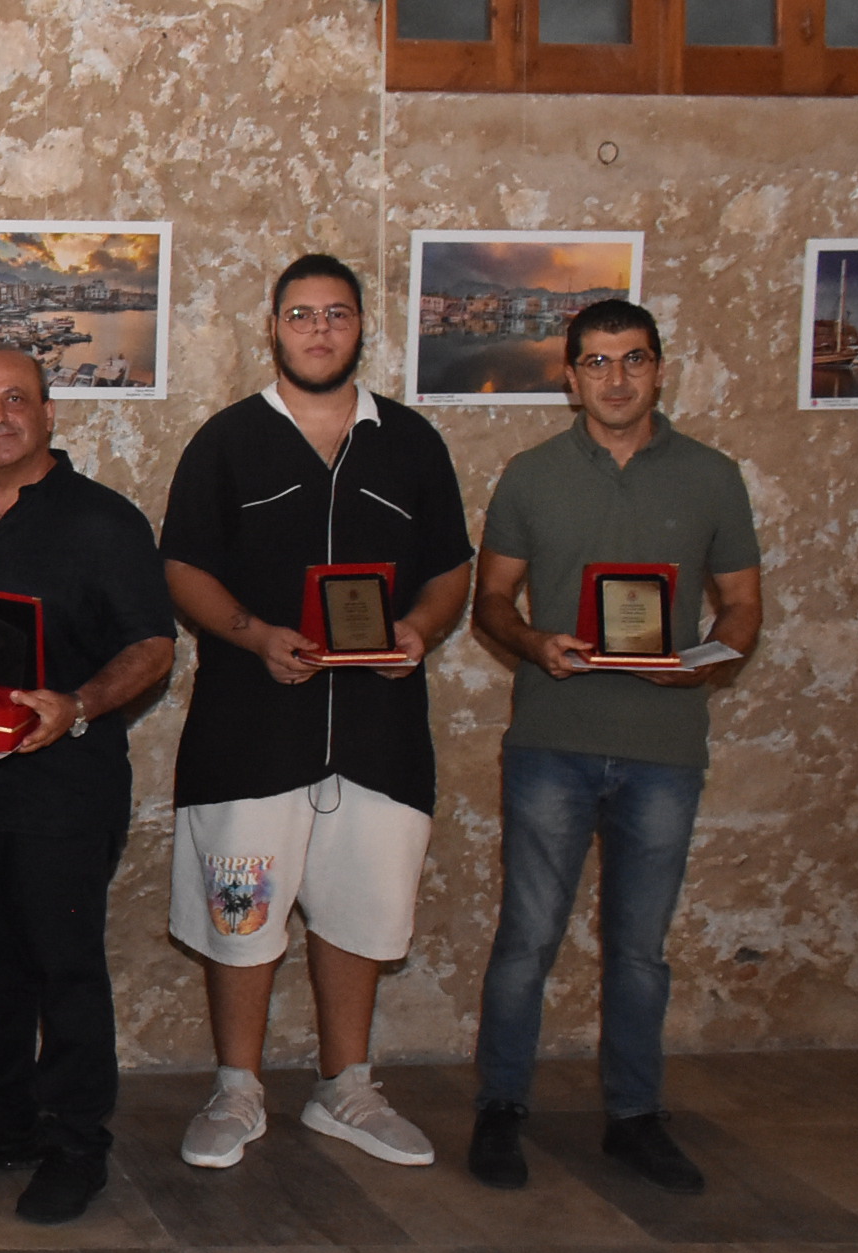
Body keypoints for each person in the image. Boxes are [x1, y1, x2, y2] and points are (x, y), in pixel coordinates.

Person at [159, 254, 474, 1170]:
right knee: (241, 916)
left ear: (361, 326)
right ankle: (236, 1089)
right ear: (274, 328)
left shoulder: (410, 443)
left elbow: (451, 568)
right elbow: (183, 566)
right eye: (301, 314)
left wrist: (420, 628)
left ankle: (347, 1088)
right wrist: (254, 634)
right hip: (250, 734)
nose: (319, 329)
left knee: (360, 914)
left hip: (377, 734)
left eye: (337, 313)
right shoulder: (227, 441)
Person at [465, 299, 761, 1196]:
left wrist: (708, 659)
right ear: (571, 379)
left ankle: (635, 1118)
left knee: (640, 950)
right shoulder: (531, 475)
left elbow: (743, 606)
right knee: (527, 939)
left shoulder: (711, 477)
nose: (616, 378)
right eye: (596, 363)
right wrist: (534, 644)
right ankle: (500, 1109)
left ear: (659, 369)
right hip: (552, 740)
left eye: (633, 359)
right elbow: (491, 603)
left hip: (663, 748)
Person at [0, 352, 175, 1224]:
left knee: (66, 971)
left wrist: (79, 703)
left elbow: (153, 646)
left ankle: (76, 1143)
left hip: (65, 787)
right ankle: (5, 1118)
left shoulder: (105, 521)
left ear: (49, 414)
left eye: (15, 399)